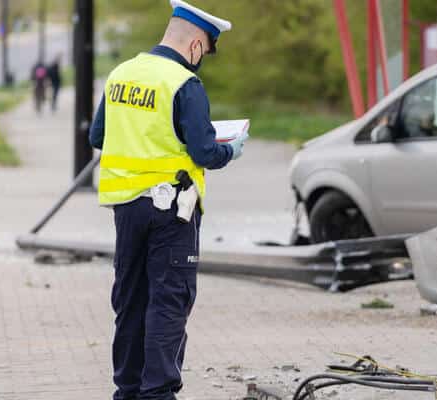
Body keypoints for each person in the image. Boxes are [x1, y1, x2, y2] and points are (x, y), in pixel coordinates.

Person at [88, 1, 248, 399]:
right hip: (173, 213)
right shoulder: (183, 83)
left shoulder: (121, 74)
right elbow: (204, 153)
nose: (201, 61)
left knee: (130, 300)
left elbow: (97, 137)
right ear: (196, 45)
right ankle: (158, 393)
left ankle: (127, 390)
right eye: (205, 52)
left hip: (126, 209)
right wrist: (233, 149)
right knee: (168, 302)